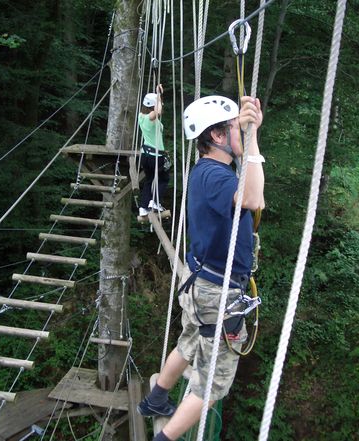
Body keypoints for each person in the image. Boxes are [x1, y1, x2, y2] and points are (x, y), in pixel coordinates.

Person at [137, 95, 265, 441]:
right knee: (213, 382)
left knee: (189, 343)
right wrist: (252, 139)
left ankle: (156, 399)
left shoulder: (209, 171)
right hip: (218, 294)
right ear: (220, 137)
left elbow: (257, 198)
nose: (242, 133)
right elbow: (253, 201)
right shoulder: (216, 176)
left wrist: (249, 141)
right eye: (236, 129)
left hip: (203, 284)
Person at [138, 84, 171, 217]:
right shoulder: (151, 117)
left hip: (145, 154)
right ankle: (155, 202)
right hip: (155, 156)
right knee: (163, 179)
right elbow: (156, 113)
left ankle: (143, 206)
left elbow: (155, 112)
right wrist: (158, 96)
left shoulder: (141, 116)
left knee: (149, 180)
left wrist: (158, 97)